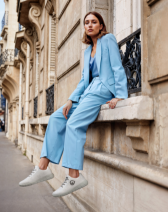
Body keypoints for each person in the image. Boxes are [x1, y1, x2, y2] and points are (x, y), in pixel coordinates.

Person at [19, 11, 128, 197]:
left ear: (101, 26)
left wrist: (120, 95)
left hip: (103, 89)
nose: (90, 25)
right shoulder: (86, 52)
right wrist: (71, 99)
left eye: (94, 22)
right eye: (87, 22)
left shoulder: (108, 39)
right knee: (56, 118)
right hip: (88, 91)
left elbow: (117, 67)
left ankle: (74, 177)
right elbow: (84, 80)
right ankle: (43, 168)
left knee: (73, 123)